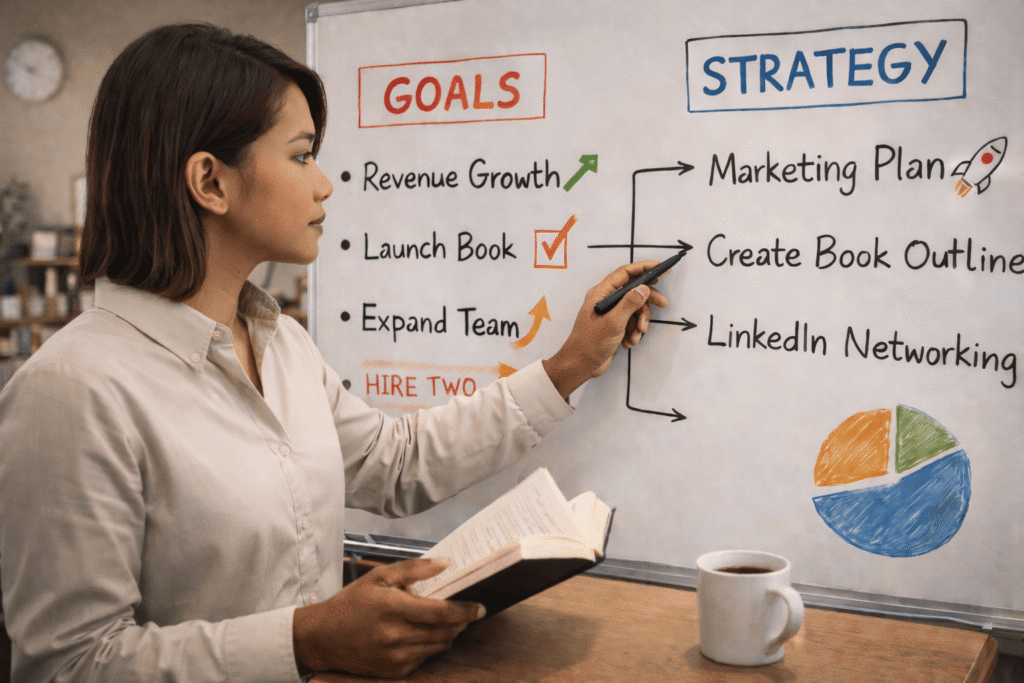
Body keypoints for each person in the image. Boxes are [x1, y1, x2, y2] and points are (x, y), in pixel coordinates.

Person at [0, 23, 668, 682]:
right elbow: (69, 663)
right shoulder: (71, 389)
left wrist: (568, 366)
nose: (325, 183)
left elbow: (394, 462)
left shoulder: (281, 342)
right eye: (300, 155)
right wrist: (306, 640)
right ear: (211, 182)